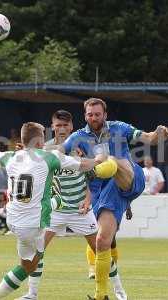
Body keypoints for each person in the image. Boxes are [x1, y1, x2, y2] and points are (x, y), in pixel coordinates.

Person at [0, 122, 118, 300]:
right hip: (32, 224)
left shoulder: (10, 156)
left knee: (30, 257)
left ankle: (30, 294)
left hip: (13, 220)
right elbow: (86, 165)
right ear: (39, 142)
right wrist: (101, 159)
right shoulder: (50, 157)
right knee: (27, 267)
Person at [60, 98, 168, 300]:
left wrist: (158, 135)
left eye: (97, 114)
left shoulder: (119, 128)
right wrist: (32, 152)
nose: (93, 118)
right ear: (85, 116)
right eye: (90, 114)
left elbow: (147, 137)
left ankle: (97, 170)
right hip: (107, 193)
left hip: (130, 177)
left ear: (105, 115)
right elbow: (57, 153)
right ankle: (101, 295)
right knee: (102, 241)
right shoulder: (77, 137)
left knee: (112, 160)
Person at [19, 110, 127, 300]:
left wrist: (88, 198)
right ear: (52, 127)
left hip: (81, 209)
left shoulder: (83, 145)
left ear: (71, 126)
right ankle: (31, 294)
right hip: (56, 209)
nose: (61, 129)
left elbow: (93, 176)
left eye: (65, 125)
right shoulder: (45, 148)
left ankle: (119, 291)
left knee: (100, 249)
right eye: (58, 125)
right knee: (38, 249)